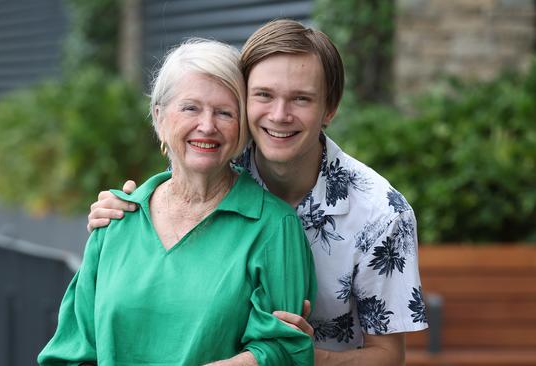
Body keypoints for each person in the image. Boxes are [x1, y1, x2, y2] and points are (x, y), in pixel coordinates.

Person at [88, 20, 428, 365]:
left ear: (329, 108)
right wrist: (124, 213)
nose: (280, 115)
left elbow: (388, 357)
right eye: (264, 95)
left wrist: (292, 355)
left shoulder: (381, 214)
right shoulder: (217, 164)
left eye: (301, 99)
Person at [38, 39, 317, 366]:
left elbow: (284, 352)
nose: (207, 125)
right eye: (190, 108)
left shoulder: (273, 227)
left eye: (225, 112)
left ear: (242, 128)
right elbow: (72, 351)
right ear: (159, 117)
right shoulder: (116, 219)